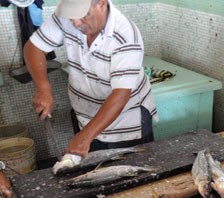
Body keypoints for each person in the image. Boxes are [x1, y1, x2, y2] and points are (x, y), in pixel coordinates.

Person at [24, 0, 158, 158]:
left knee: (132, 169)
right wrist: (43, 87)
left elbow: (121, 94)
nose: (75, 23)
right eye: (71, 17)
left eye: (83, 16)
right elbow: (33, 47)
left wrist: (86, 136)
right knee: (95, 170)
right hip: (87, 117)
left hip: (126, 120)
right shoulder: (69, 17)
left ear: (101, 3)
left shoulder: (125, 36)